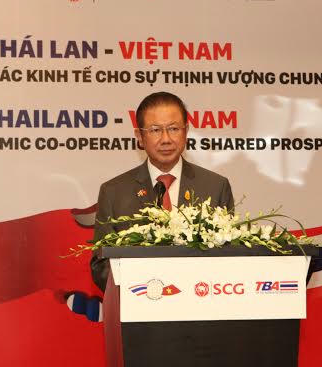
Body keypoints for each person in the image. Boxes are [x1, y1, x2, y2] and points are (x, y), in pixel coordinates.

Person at [90, 91, 234, 291]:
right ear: (140, 137)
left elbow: (228, 258)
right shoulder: (114, 192)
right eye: (155, 130)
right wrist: (144, 289)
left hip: (200, 300)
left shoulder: (215, 187)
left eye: (174, 129)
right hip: (138, 302)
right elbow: (101, 266)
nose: (166, 139)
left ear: (186, 131)